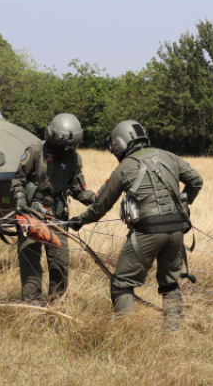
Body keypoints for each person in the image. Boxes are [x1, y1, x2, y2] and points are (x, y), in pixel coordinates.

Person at [68, 120, 202, 331]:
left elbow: (100, 206)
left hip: (147, 231)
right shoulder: (169, 156)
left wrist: (79, 220)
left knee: (122, 284)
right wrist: (183, 202)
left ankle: (127, 333)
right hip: (177, 229)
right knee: (170, 283)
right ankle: (172, 335)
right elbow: (196, 180)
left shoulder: (124, 168)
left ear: (120, 145)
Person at [10, 113, 98, 304]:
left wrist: (95, 198)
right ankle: (33, 304)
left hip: (58, 218)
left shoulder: (74, 159)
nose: (66, 152)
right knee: (30, 262)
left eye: (71, 149)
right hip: (31, 215)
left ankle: (57, 303)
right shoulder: (34, 152)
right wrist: (20, 200)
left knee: (60, 263)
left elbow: (76, 189)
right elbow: (18, 180)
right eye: (63, 148)